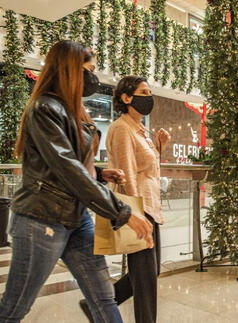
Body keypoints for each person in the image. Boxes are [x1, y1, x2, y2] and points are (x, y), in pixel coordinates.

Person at [0, 40, 152, 323]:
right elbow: (67, 168)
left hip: (77, 217)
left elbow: (73, 161)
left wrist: (101, 172)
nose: (93, 77)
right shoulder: (44, 108)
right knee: (15, 307)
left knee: (103, 298)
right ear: (70, 70)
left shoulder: (74, 109)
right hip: (41, 219)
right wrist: (123, 211)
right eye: (89, 70)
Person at [80, 76, 170, 323]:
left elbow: (147, 167)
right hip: (139, 208)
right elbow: (127, 173)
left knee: (150, 272)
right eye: (143, 91)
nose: (149, 96)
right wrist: (134, 214)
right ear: (126, 98)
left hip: (151, 206)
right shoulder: (122, 128)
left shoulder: (141, 130)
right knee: (145, 278)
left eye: (150, 91)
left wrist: (160, 147)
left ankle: (95, 304)